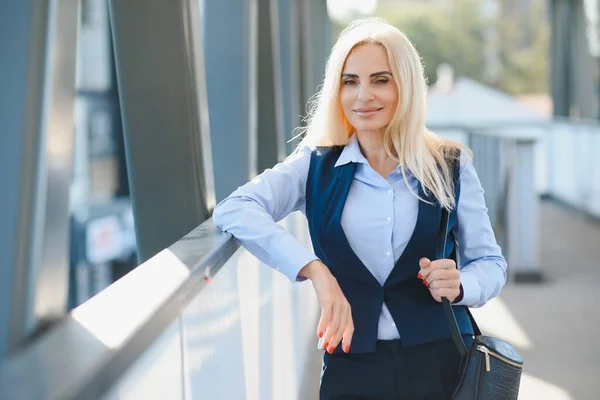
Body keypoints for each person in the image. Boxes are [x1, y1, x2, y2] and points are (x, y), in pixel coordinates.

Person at [213, 17, 507, 400]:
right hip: (351, 366)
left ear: (407, 87)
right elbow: (234, 208)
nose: (363, 95)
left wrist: (463, 284)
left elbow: (491, 263)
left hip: (442, 362)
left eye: (380, 80)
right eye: (350, 81)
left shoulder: (449, 165)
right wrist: (314, 270)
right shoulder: (313, 167)